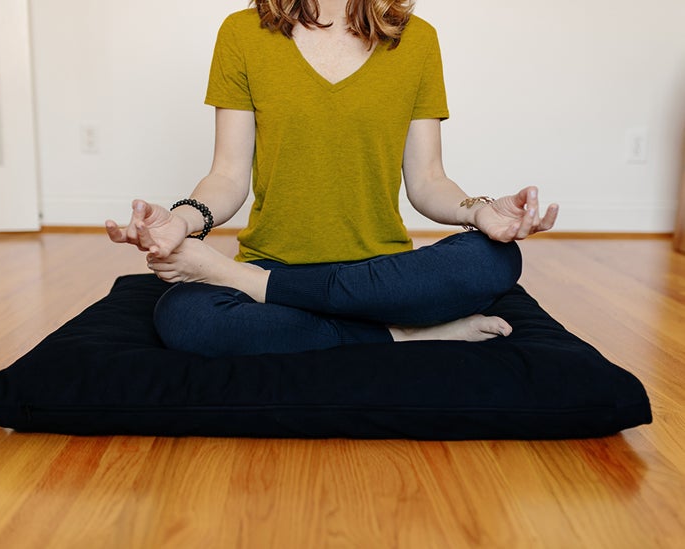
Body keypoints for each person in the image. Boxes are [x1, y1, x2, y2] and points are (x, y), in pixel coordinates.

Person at [106, 0, 558, 357]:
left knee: (495, 260)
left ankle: (258, 289)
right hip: (274, 262)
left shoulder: (417, 40)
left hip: (379, 277)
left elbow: (428, 180)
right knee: (189, 318)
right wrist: (182, 223)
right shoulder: (242, 33)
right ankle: (401, 336)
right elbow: (226, 175)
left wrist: (480, 211)